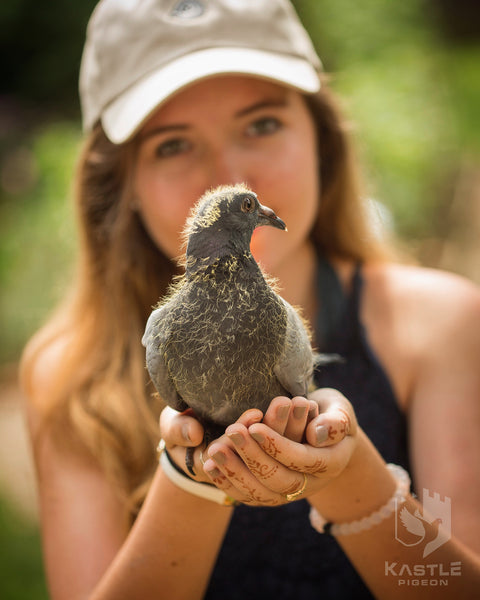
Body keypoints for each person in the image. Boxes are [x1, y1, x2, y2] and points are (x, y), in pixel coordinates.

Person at [20, 0, 480, 598]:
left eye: (261, 124)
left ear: (323, 141)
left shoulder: (442, 325)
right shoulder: (73, 378)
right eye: (171, 144)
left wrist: (350, 475)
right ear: (121, 183)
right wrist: (193, 477)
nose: (227, 172)